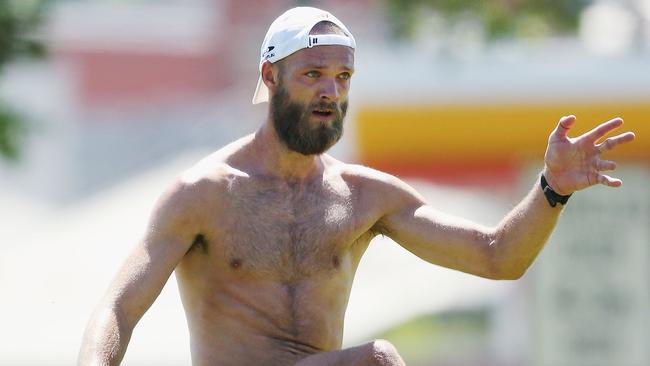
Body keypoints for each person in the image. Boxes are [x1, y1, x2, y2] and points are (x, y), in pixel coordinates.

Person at [77, 7, 636, 366]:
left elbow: (496, 257)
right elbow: (117, 310)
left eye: (342, 78)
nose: (330, 92)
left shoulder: (365, 197)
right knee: (378, 360)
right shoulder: (204, 193)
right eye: (313, 75)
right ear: (271, 77)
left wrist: (551, 189)